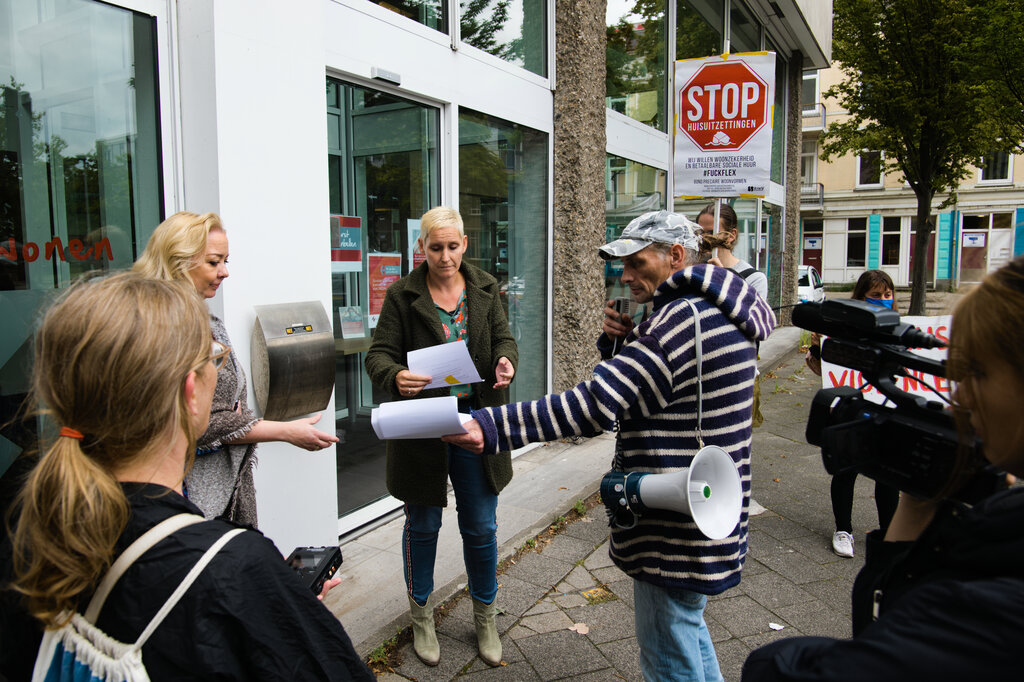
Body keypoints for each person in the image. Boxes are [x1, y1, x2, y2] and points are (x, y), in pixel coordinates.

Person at [446, 210, 776, 682]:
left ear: (676, 256)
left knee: (667, 656)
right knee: (687, 627)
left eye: (637, 263)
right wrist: (621, 344)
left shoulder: (679, 321)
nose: (625, 276)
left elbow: (596, 404)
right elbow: (660, 391)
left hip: (674, 526)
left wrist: (489, 426)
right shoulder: (720, 309)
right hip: (708, 509)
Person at [0, 272, 372, 680]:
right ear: (189, 390)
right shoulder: (233, 567)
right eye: (215, 356)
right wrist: (286, 616)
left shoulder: (28, 526)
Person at [742, 256, 1024, 681]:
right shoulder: (1001, 516)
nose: (962, 395)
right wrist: (924, 501)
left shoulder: (996, 603)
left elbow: (780, 669)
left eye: (978, 371)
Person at [364, 206, 517, 668]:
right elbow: (378, 356)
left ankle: (485, 618)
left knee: (481, 525)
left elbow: (505, 340)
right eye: (435, 248)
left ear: (465, 244)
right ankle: (422, 616)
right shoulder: (400, 295)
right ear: (422, 248)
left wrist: (506, 362)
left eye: (452, 247)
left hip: (477, 422)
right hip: (425, 423)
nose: (445, 257)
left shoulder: (486, 288)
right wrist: (396, 375)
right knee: (423, 524)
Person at [134, 212, 338, 527]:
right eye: (213, 262)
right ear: (179, 262)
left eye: (226, 261)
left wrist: (235, 415)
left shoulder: (205, 319)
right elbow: (204, 423)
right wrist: (285, 431)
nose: (225, 272)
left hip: (221, 488)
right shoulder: (165, 328)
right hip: (192, 496)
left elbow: (218, 413)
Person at [805, 269, 900, 557]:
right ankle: (843, 530)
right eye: (875, 296)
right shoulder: (841, 333)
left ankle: (890, 533)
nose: (883, 300)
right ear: (860, 298)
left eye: (887, 295)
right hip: (853, 412)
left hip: (886, 414)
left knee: (888, 477)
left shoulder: (899, 331)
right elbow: (825, 372)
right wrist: (821, 350)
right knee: (846, 471)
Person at [696, 202, 768, 300]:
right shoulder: (695, 270)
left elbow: (750, 313)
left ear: (731, 235)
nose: (704, 238)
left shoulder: (754, 278)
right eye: (701, 232)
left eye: (711, 232)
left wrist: (723, 277)